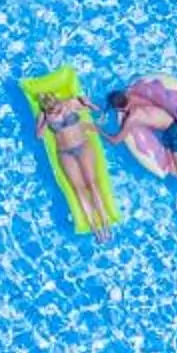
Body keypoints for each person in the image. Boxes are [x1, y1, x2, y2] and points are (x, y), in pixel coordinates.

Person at [37, 89, 114, 240]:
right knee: (78, 189)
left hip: (83, 145)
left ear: (58, 101)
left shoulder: (70, 103)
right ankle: (95, 229)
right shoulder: (44, 115)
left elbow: (96, 111)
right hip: (65, 153)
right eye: (52, 111)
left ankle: (106, 224)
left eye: (57, 108)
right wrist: (46, 121)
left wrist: (88, 103)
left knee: (92, 184)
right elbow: (39, 136)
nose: (57, 112)